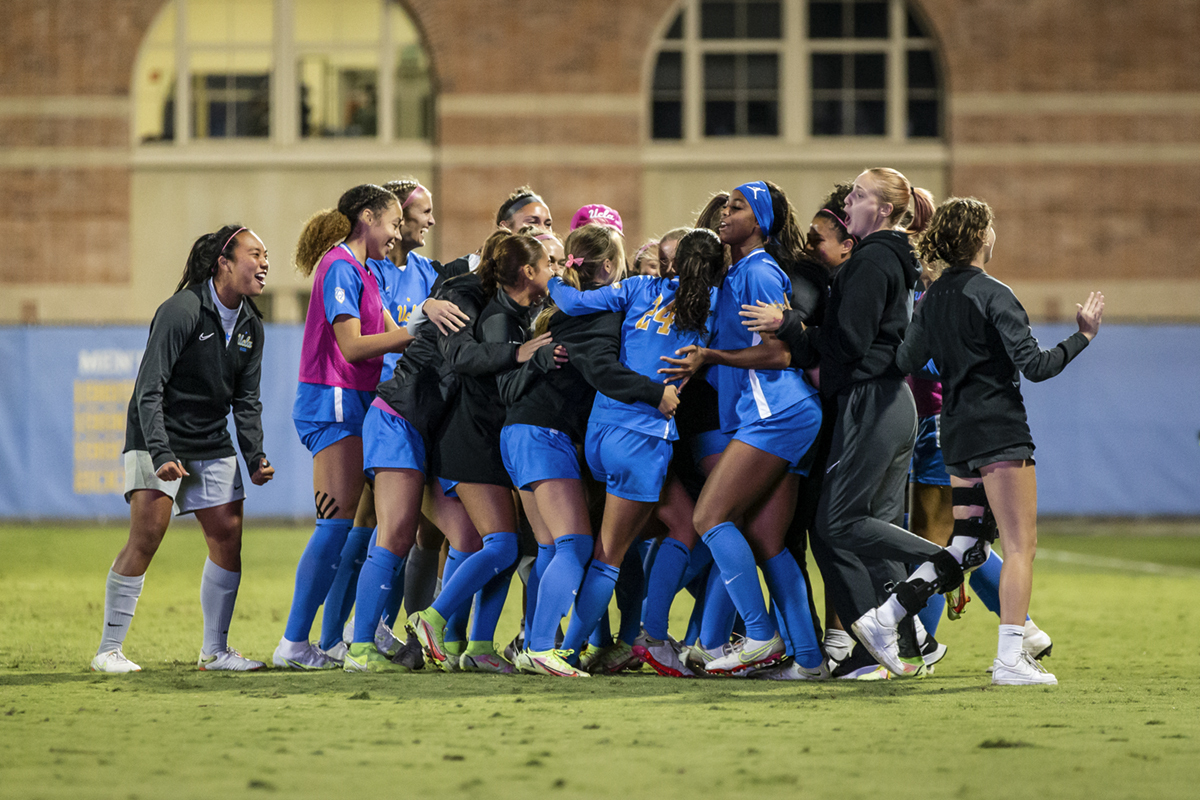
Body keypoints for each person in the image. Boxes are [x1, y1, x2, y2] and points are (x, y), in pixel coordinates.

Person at [854, 197, 1103, 685]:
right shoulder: (994, 293)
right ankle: (1010, 659)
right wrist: (1084, 336)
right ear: (981, 238)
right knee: (1019, 546)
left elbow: (904, 361)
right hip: (1000, 433)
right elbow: (1037, 366)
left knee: (967, 544)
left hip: (956, 434)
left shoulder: (930, 300)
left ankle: (885, 616)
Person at [741, 168, 949, 677]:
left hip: (872, 401)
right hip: (893, 402)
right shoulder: (891, 258)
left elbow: (848, 344)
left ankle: (942, 561)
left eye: (858, 194)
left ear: (881, 210)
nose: (848, 199)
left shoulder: (873, 258)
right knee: (868, 526)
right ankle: (903, 642)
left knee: (834, 523)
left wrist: (790, 324)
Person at [660, 181, 826, 678]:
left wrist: (710, 355)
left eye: (737, 207)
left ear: (760, 222)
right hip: (779, 413)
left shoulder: (756, 270)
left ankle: (759, 635)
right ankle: (811, 661)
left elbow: (778, 352)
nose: (724, 213)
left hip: (776, 412)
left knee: (710, 516)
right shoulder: (739, 273)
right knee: (767, 539)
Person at [92, 225, 275, 674]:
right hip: (160, 434)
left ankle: (215, 652)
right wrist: (160, 452)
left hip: (211, 438)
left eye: (266, 255)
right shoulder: (182, 310)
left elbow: (246, 400)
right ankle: (108, 651)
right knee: (147, 536)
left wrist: (255, 456)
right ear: (224, 264)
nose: (265, 262)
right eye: (255, 253)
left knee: (227, 539)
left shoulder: (251, 323)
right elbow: (147, 389)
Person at [503, 223, 673, 677]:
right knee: (576, 545)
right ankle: (542, 647)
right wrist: (653, 392)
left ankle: (534, 644)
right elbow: (600, 368)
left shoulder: (565, 311)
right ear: (611, 267)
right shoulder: (598, 317)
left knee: (551, 548)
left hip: (523, 432)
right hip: (545, 435)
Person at [406, 231, 561, 671]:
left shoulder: (516, 311)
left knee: (501, 548)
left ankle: (478, 647)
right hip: (469, 439)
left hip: (487, 440)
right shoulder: (495, 316)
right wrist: (521, 354)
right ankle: (432, 618)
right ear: (528, 271)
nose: (557, 270)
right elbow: (466, 360)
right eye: (550, 263)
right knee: (501, 546)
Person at [274, 184, 414, 670]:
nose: (397, 234)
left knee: (344, 527)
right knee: (334, 526)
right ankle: (294, 643)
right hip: (332, 401)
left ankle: (327, 640)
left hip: (352, 403)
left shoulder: (361, 271)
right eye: (393, 224)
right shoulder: (338, 265)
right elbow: (353, 346)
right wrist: (416, 331)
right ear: (368, 217)